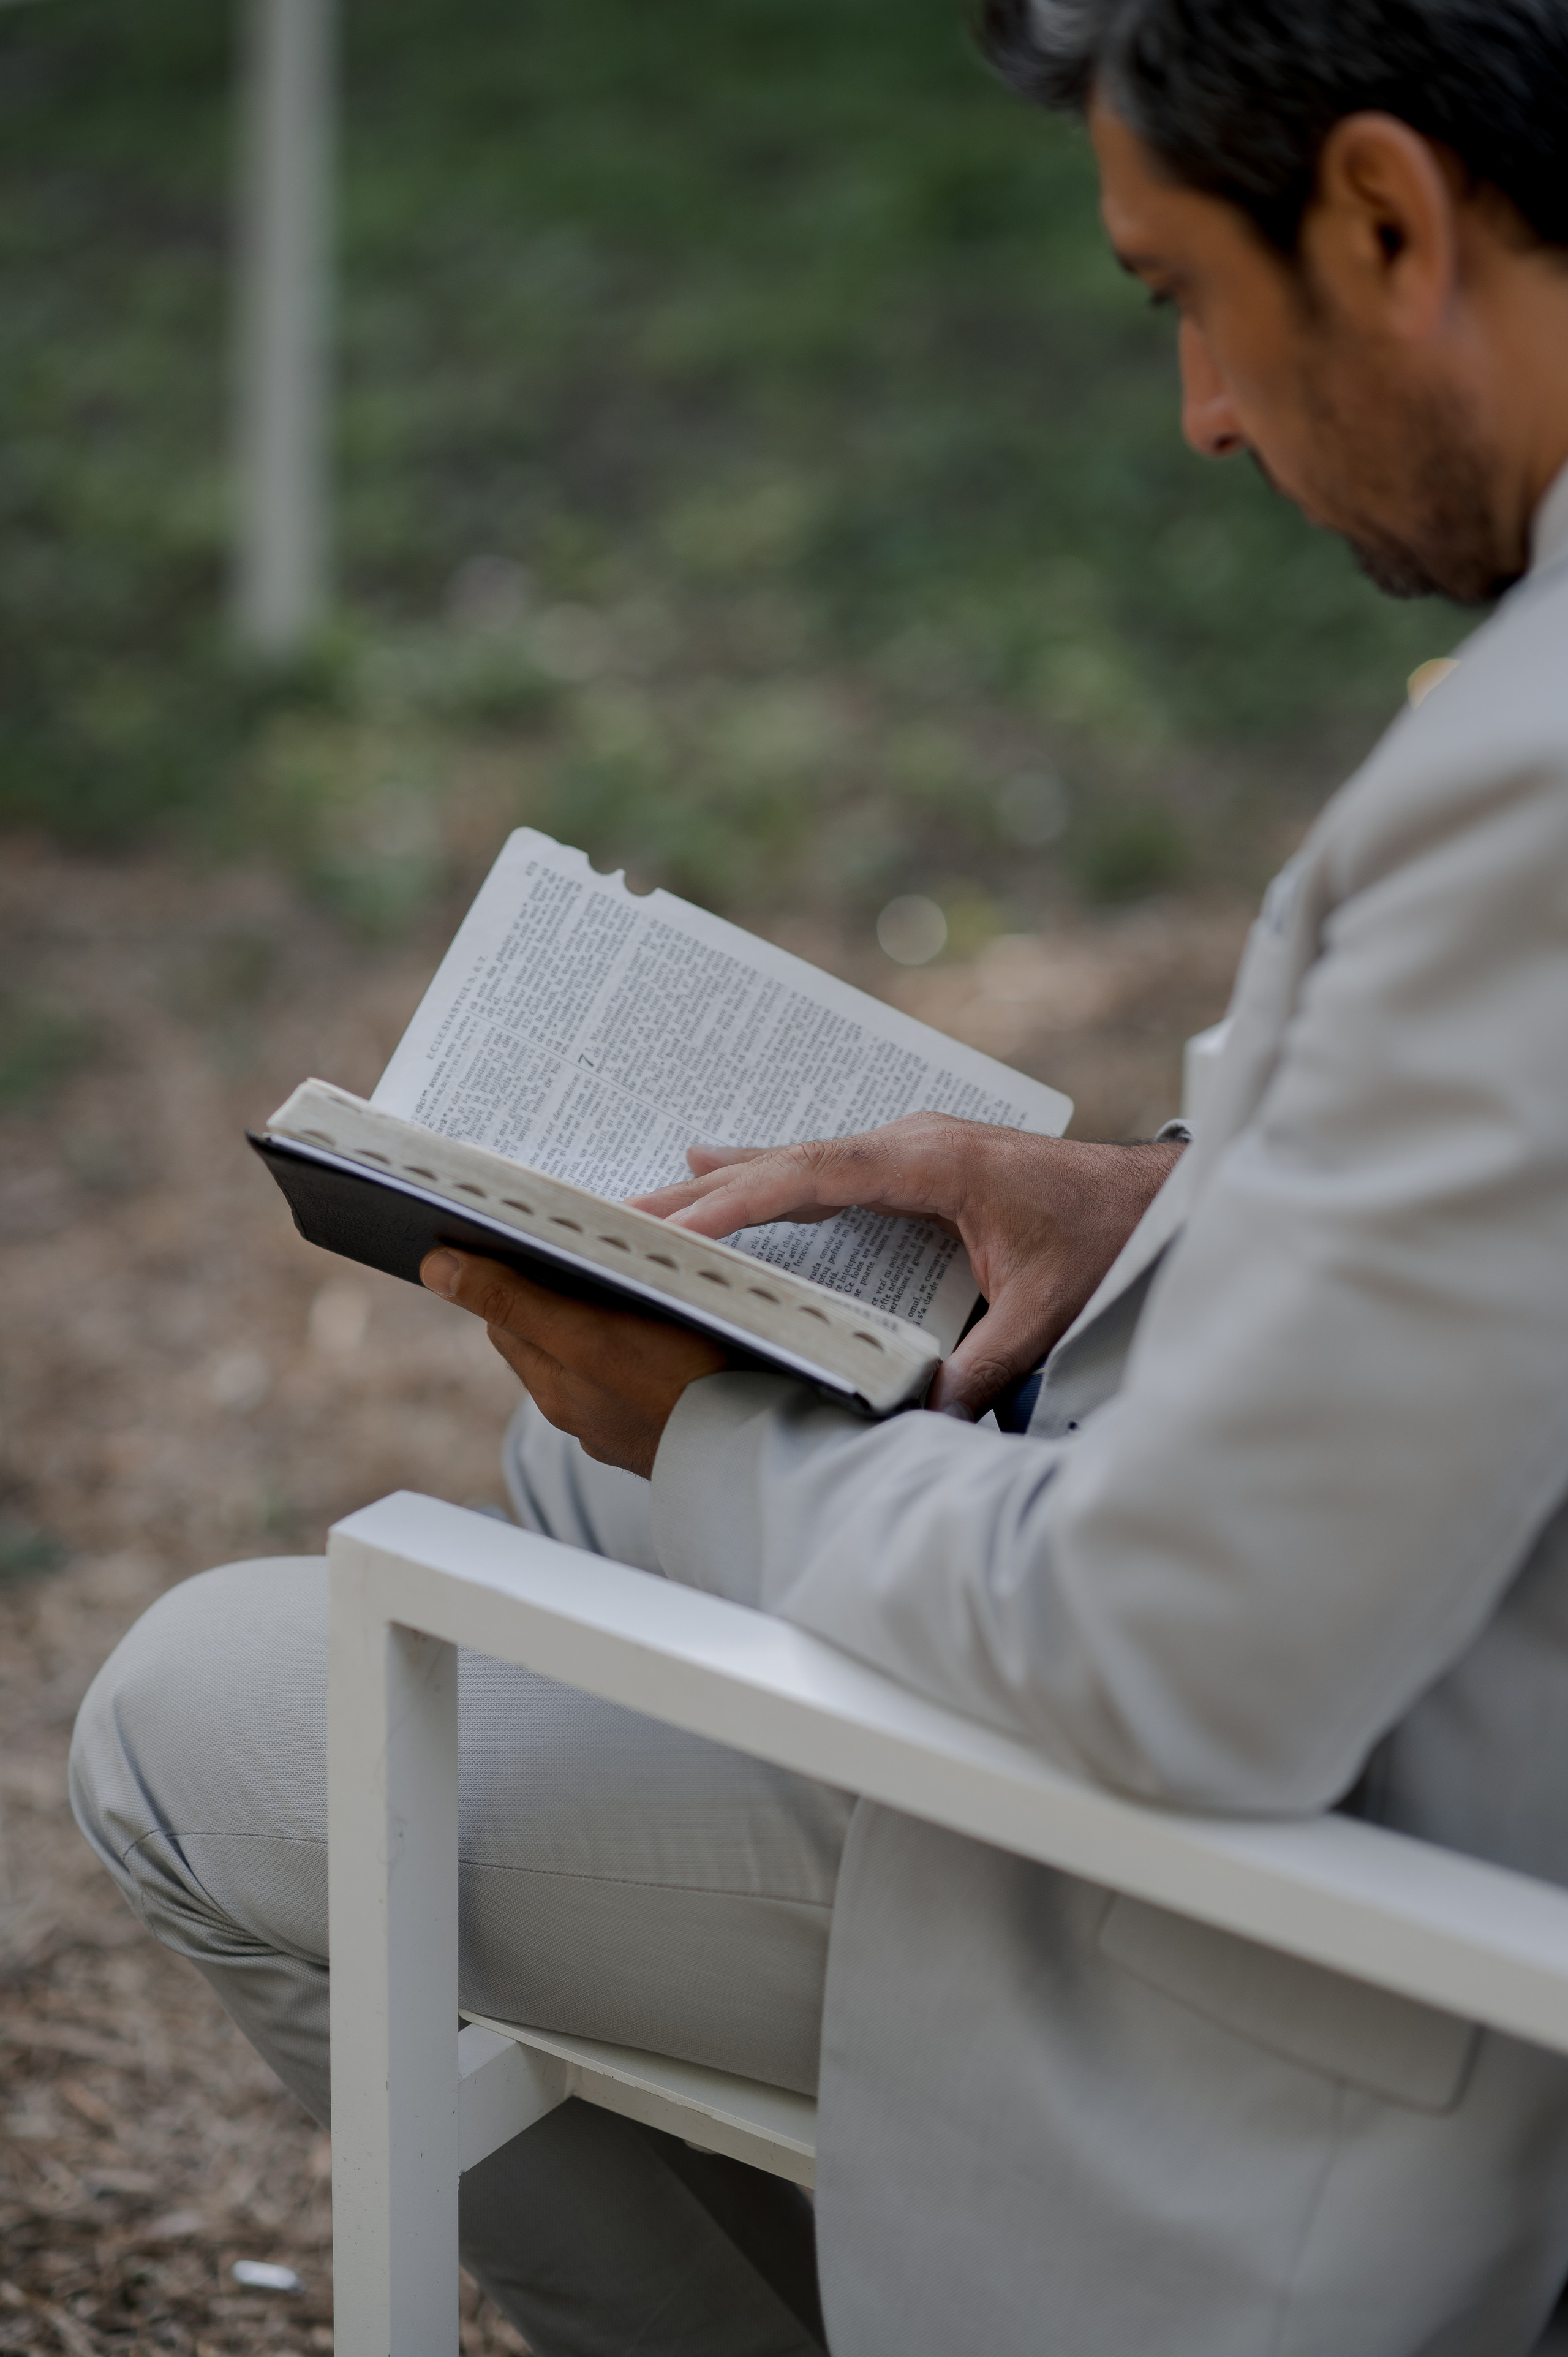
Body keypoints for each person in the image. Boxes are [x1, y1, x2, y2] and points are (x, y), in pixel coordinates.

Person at [69, 1, 1568, 2348]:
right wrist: (1163, 1197)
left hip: (1346, 1932)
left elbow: (1175, 1672)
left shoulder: (1539, 795)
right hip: (1428, 1639)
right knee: (546, 1488)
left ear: (1384, 213)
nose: (1200, 414)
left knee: (184, 1714)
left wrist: (718, 1425)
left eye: (1183, 293)